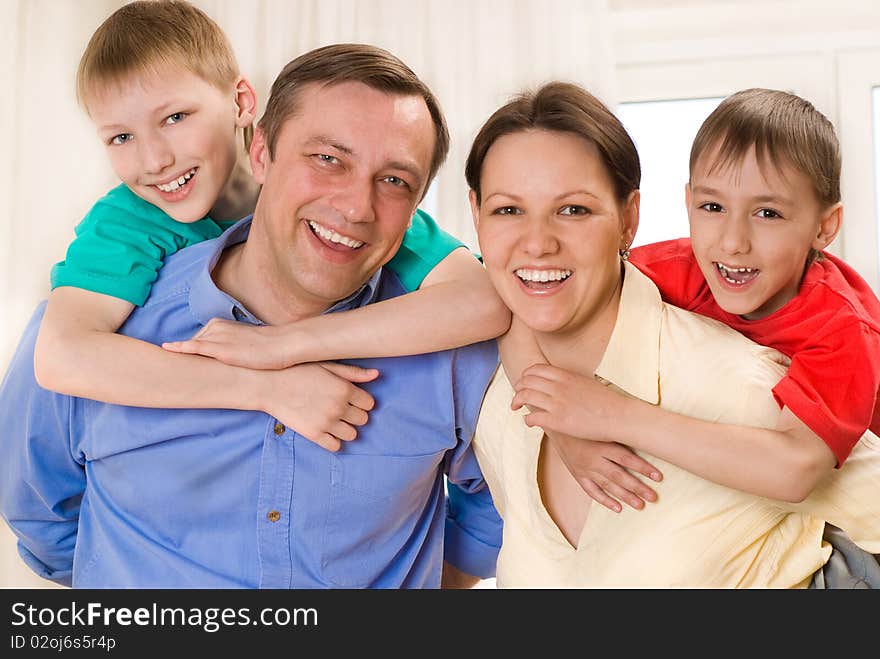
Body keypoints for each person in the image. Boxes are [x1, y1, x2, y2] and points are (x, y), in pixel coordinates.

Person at [0, 43, 501, 588]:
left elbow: (495, 509)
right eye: (328, 159)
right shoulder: (92, 317)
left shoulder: (447, 334)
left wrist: (286, 346)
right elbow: (43, 518)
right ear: (261, 152)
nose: (357, 206)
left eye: (395, 181)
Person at [35, 0, 509, 451]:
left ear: (242, 102)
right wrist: (264, 387)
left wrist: (284, 345)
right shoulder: (128, 221)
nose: (155, 159)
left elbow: (483, 300)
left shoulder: (338, 204)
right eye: (121, 137)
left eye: (175, 117)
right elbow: (61, 355)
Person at [466, 81, 880, 587]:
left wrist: (613, 414)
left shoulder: (836, 334)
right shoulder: (677, 270)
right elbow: (520, 307)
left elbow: (798, 470)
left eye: (768, 213)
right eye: (712, 207)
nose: (733, 242)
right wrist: (567, 428)